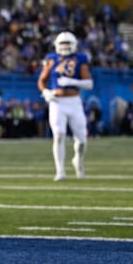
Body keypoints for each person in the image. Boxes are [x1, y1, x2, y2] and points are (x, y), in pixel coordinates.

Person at [37, 31, 93, 181]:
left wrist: (73, 82)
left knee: (81, 140)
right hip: (57, 102)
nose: (64, 46)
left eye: (67, 43)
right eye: (62, 43)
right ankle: (60, 171)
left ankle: (78, 161)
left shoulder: (81, 59)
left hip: (74, 102)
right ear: (56, 45)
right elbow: (41, 80)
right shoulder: (51, 59)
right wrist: (46, 92)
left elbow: (89, 83)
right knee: (59, 134)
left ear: (73, 45)